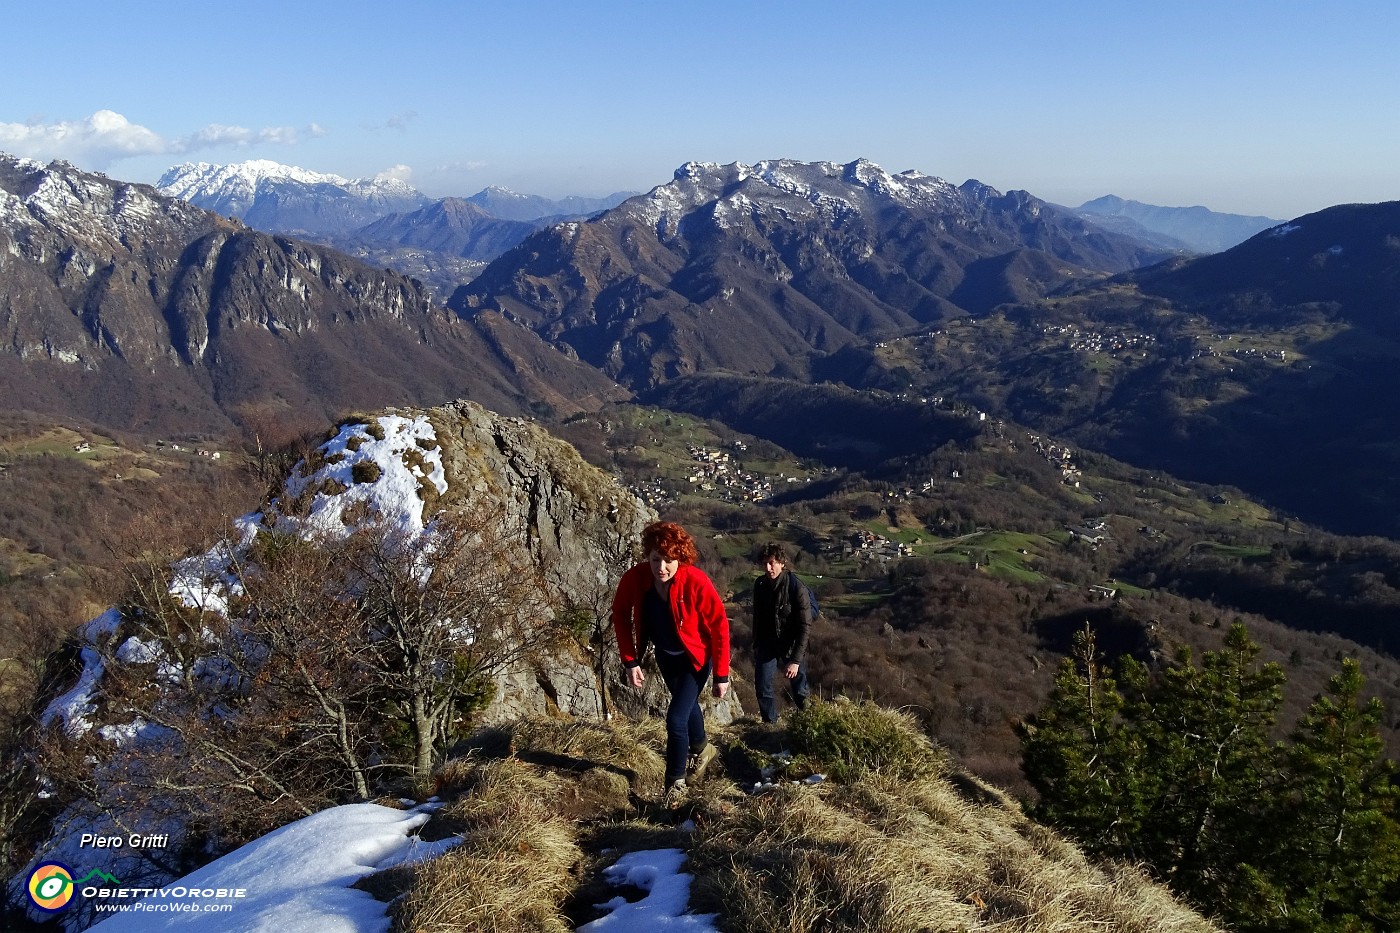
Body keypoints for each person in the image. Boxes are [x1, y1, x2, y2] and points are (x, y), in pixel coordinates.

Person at [612, 521, 730, 800]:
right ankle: (704, 750)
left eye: (669, 560)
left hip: (696, 659)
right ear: (648, 557)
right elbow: (620, 614)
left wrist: (721, 674)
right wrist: (631, 660)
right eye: (655, 559)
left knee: (675, 719)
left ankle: (675, 785)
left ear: (681, 559)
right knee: (686, 708)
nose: (661, 567)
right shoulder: (636, 578)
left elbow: (719, 626)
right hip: (666, 657)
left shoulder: (696, 581)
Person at [751, 542, 812, 723]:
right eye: (765, 564)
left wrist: (795, 660)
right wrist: (757, 644)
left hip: (792, 644)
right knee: (762, 686)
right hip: (767, 644)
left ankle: (808, 722)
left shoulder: (796, 587)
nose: (768, 568)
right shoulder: (760, 585)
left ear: (782, 563)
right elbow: (757, 618)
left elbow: (805, 626)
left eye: (772, 563)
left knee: (800, 688)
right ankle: (770, 724)